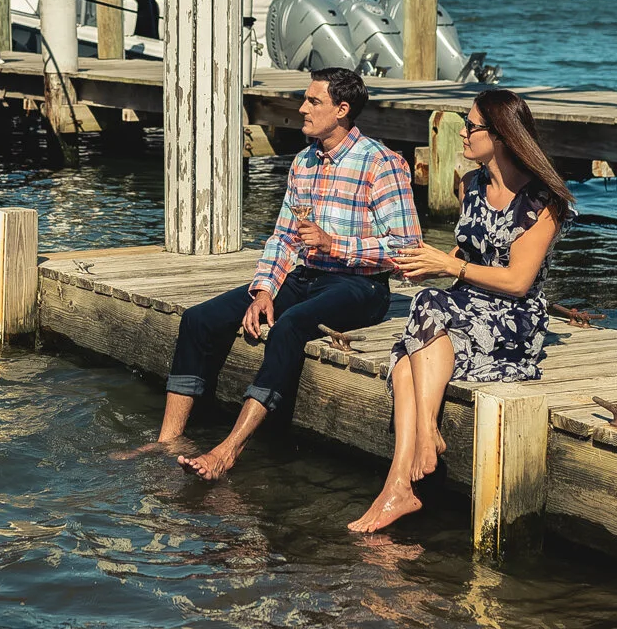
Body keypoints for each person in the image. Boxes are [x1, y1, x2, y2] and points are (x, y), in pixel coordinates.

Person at [122, 67, 420, 480]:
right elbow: (283, 238)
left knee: (291, 326)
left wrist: (335, 245)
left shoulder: (382, 163)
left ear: (342, 109)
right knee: (198, 319)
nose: (302, 108)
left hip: (362, 285)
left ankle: (229, 450)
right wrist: (263, 290)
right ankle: (168, 439)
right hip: (308, 275)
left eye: (314, 101)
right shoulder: (303, 162)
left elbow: (406, 250)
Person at [348, 88, 575, 533]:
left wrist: (446, 265)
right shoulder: (470, 184)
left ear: (503, 135)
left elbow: (516, 281)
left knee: (411, 345)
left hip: (514, 320)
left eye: (471, 126)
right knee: (415, 330)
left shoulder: (541, 202)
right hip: (467, 306)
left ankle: (411, 460)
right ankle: (401, 482)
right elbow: (467, 249)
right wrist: (425, 266)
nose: (463, 134)